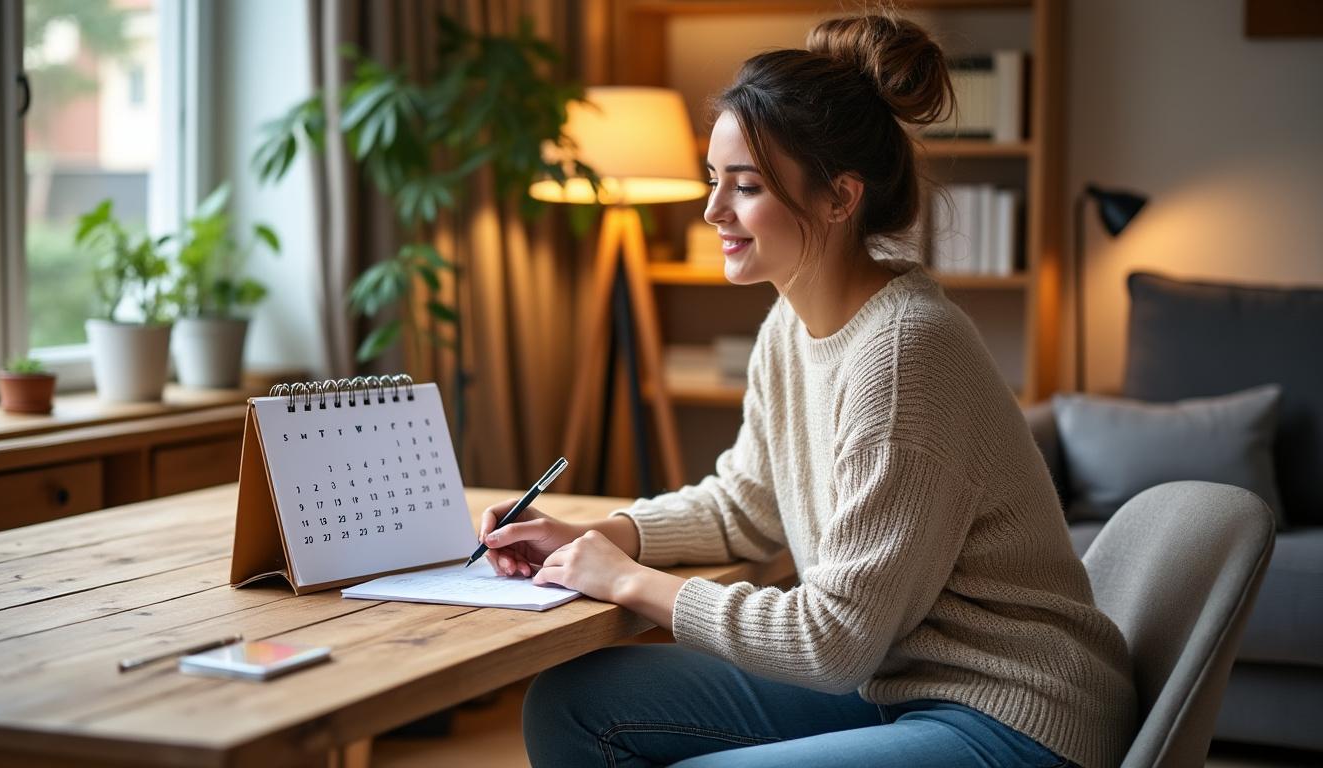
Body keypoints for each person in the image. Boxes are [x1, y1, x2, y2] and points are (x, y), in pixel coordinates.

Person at [478, 11, 1137, 768]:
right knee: (572, 701)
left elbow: (832, 642)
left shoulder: (903, 357)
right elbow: (746, 505)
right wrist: (607, 537)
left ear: (839, 198)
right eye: (712, 180)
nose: (712, 211)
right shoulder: (792, 325)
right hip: (893, 677)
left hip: (1012, 713)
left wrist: (629, 581)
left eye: (746, 186)